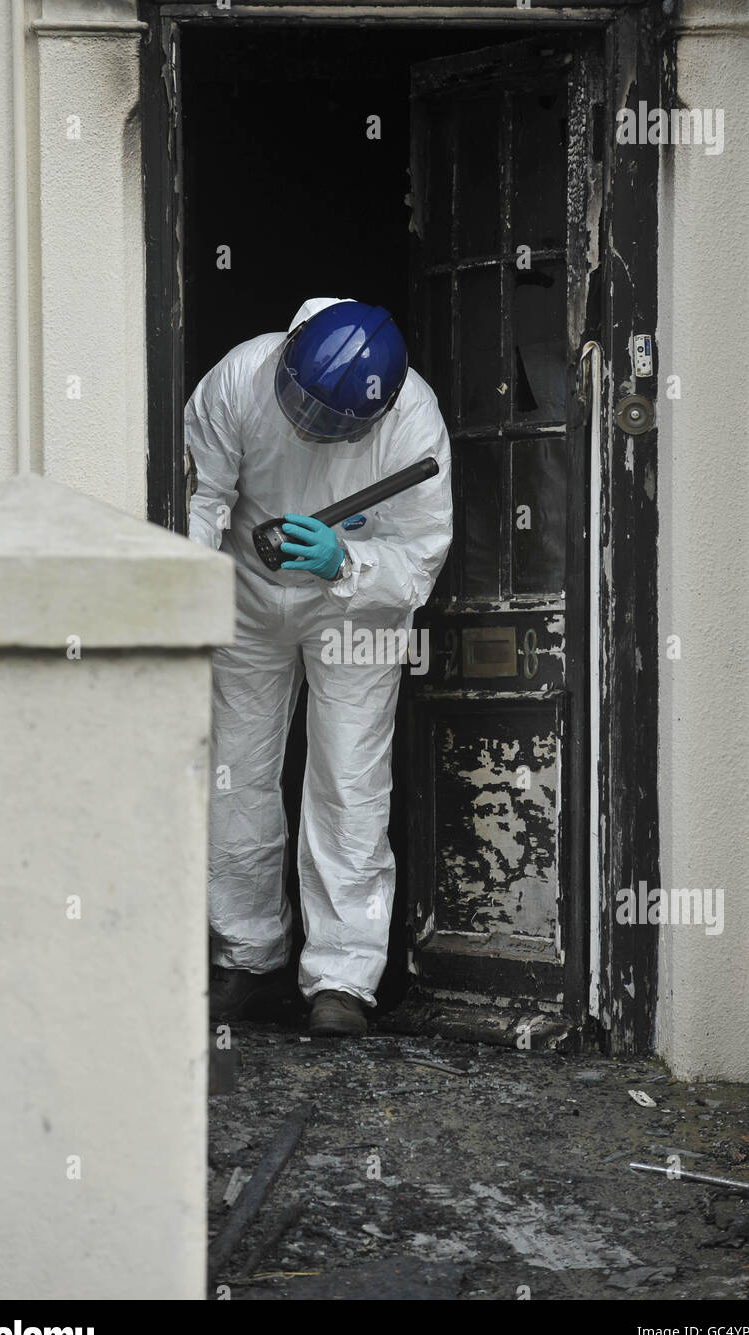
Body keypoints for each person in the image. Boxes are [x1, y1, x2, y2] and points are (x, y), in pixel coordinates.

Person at [185, 297, 452, 1036]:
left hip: (354, 609)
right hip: (243, 593)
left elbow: (419, 557)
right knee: (235, 774)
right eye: (302, 408)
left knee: (349, 783)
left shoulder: (412, 422)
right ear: (291, 352)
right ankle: (244, 951)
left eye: (332, 425)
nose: (309, 429)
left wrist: (347, 561)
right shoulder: (239, 377)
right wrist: (188, 582)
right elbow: (202, 496)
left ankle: (343, 978)